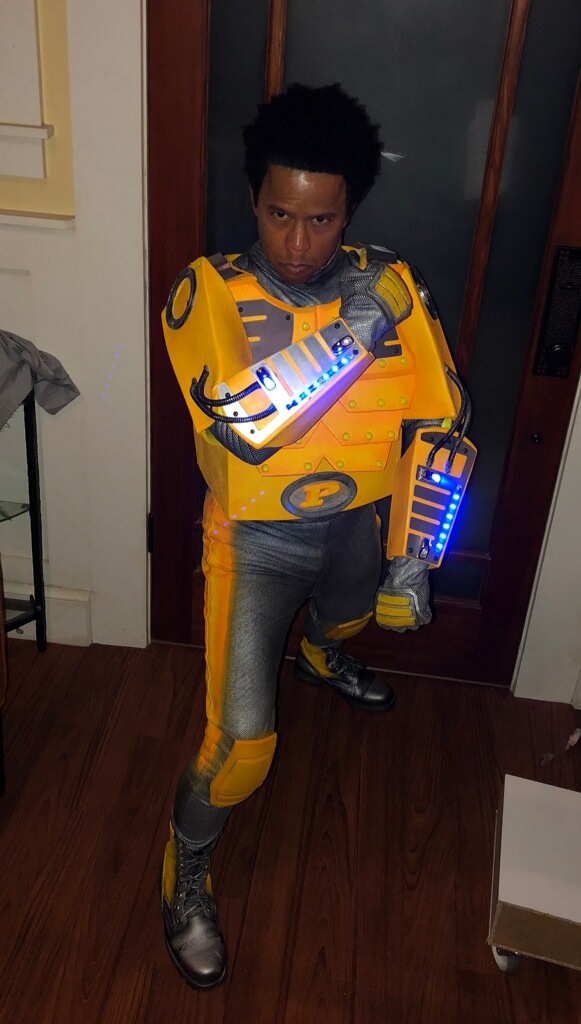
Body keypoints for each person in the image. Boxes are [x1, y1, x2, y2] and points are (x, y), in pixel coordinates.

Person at [160, 83, 475, 990]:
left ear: (349, 212)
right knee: (242, 747)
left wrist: (414, 554)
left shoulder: (389, 281)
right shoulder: (206, 291)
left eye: (321, 220)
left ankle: (321, 657)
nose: (298, 245)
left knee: (348, 618)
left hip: (353, 525)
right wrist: (357, 331)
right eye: (279, 215)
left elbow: (440, 420)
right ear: (253, 199)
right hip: (252, 541)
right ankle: (184, 872)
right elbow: (248, 426)